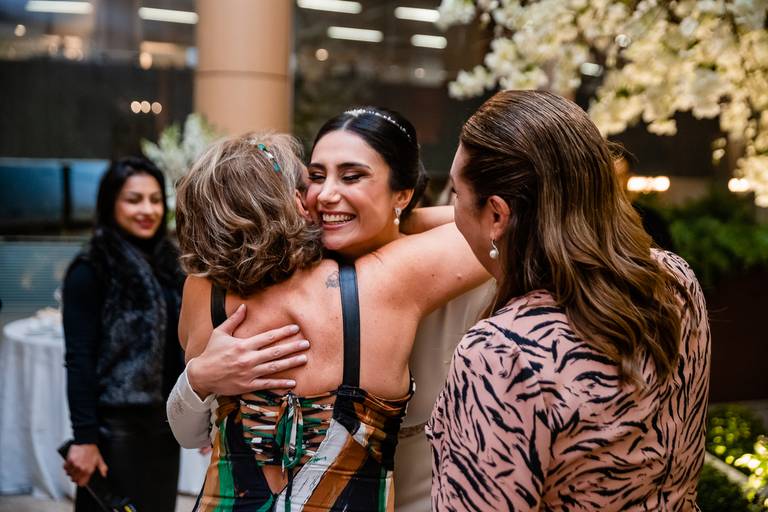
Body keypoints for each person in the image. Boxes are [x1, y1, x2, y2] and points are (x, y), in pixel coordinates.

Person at [166, 108, 491, 511]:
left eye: (351, 177)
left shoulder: (204, 292)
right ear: (296, 203)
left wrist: (197, 379)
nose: (323, 196)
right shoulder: (389, 281)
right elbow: (498, 225)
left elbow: (190, 435)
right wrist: (392, 215)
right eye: (314, 180)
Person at [427, 90, 711, 510]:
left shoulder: (501, 354)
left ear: (498, 215)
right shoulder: (675, 282)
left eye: (455, 192)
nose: (453, 206)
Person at [62, 157, 185, 511]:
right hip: (115, 432)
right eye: (134, 200)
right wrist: (84, 438)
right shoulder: (91, 268)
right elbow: (79, 360)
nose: (148, 210)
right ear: (110, 203)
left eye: (155, 199)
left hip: (164, 428)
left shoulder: (170, 264)